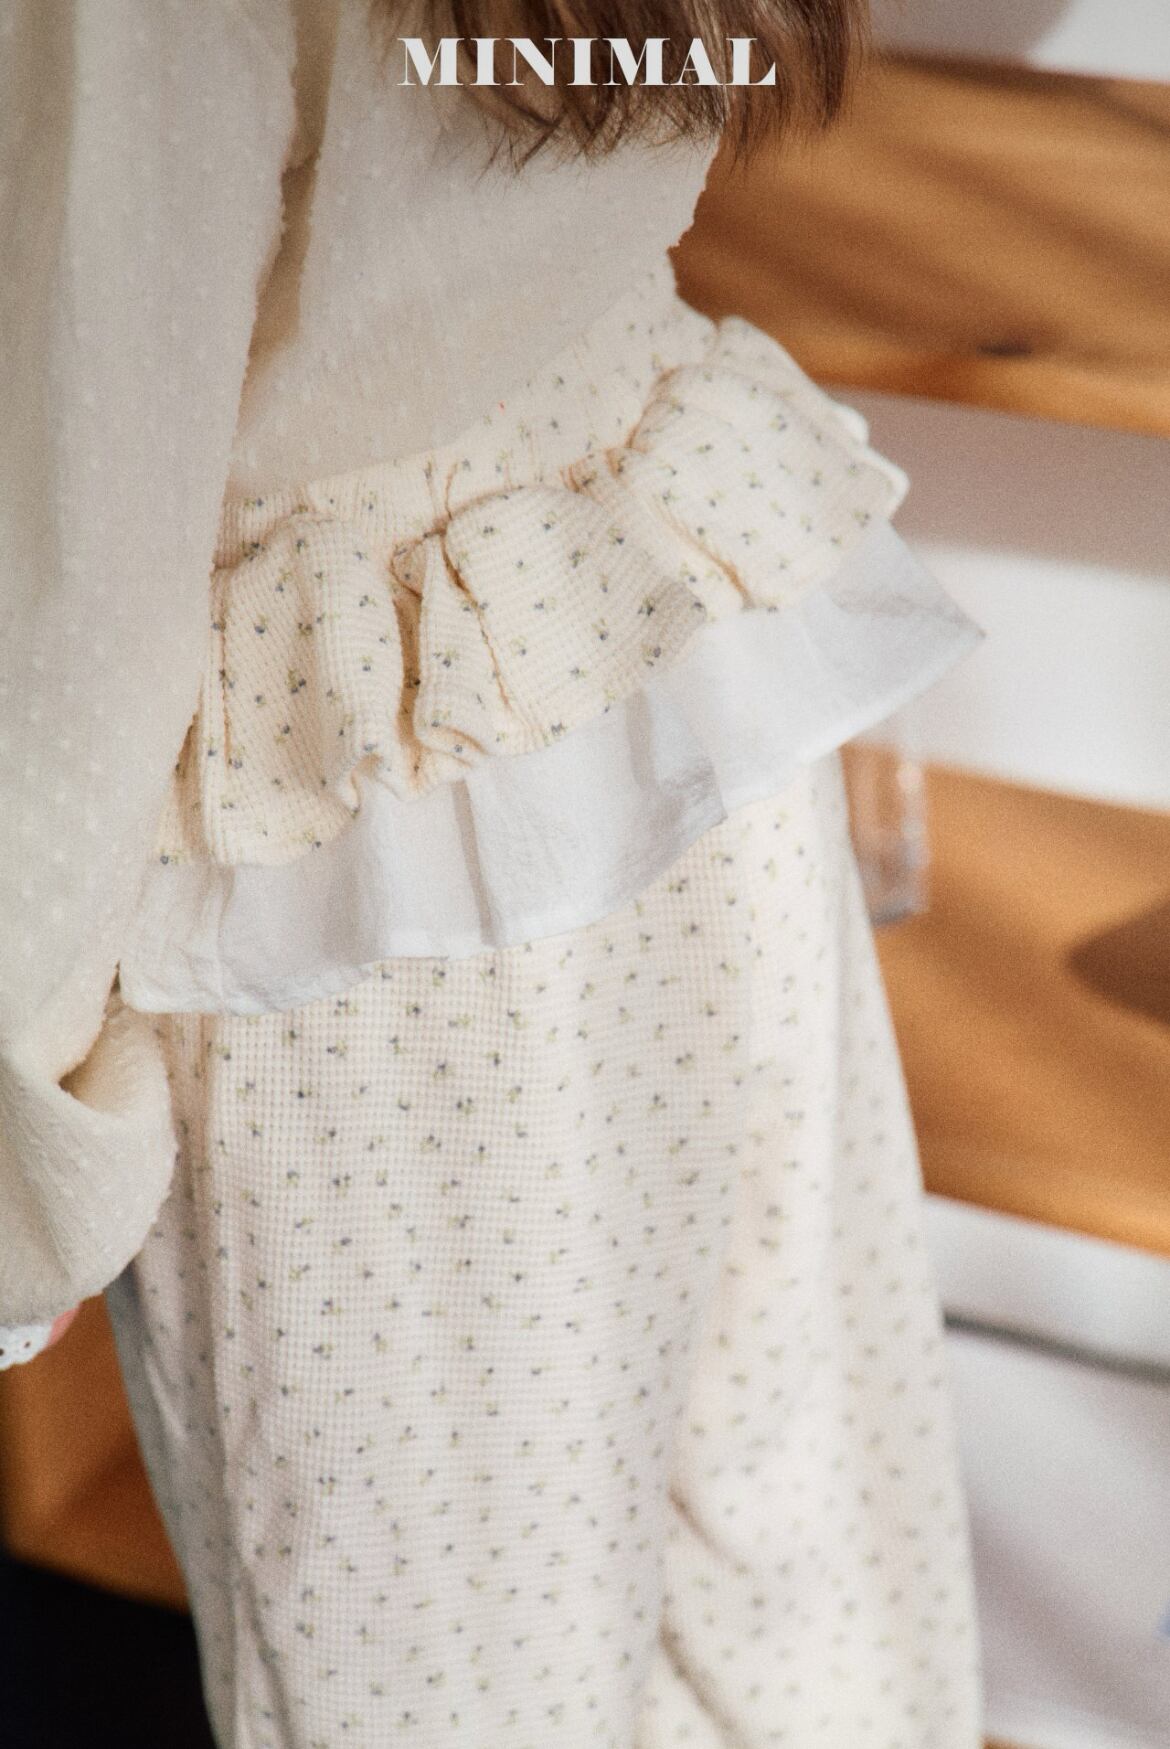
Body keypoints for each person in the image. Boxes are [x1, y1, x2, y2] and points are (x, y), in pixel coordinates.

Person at [0, 2, 985, 1743]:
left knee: (446, 1686)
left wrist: (28, 1170)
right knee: (788, 1563)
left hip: (358, 855)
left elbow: (89, 538)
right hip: (667, 649)